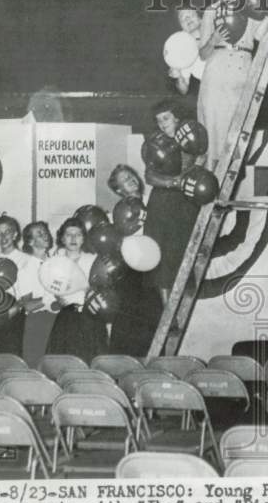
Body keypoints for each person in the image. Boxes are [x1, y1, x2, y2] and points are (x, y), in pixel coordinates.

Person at [175, 0, 268, 173]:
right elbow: (202, 53)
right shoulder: (211, 11)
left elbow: (260, 36)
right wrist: (214, 39)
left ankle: (232, 178)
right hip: (217, 70)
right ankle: (210, 177)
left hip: (243, 67)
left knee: (239, 128)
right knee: (213, 129)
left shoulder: (252, 6)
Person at [142, 101, 201, 306]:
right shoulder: (156, 143)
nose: (161, 124)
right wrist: (175, 182)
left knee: (184, 256)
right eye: (158, 120)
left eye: (165, 118)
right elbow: (149, 176)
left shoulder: (194, 139)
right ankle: (166, 311)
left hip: (186, 204)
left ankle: (184, 309)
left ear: (177, 118)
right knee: (161, 258)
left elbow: (196, 170)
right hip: (161, 203)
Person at [106, 164, 164, 357]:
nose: (130, 179)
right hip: (130, 271)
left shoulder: (153, 201)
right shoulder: (117, 212)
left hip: (157, 267)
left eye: (131, 175)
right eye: (124, 179)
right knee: (128, 324)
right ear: (119, 190)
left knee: (155, 321)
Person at [44, 218, 108, 363]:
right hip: (65, 321)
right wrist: (57, 302)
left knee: (91, 364)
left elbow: (103, 291)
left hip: (91, 320)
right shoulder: (54, 262)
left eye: (78, 234)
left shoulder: (94, 260)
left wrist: (89, 292)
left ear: (84, 238)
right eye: (68, 234)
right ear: (62, 238)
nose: (73, 239)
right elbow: (48, 297)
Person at [0, 215, 33, 356]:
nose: (3, 236)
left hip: (14, 317)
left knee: (11, 361)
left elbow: (28, 296)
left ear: (15, 234)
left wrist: (12, 311)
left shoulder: (26, 260)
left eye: (7, 232)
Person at [20, 220, 57, 367]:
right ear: (30, 241)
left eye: (45, 232)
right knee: (37, 368)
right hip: (38, 323)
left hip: (58, 320)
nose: (45, 235)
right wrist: (49, 299)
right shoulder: (26, 269)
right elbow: (27, 306)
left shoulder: (57, 262)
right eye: (39, 234)